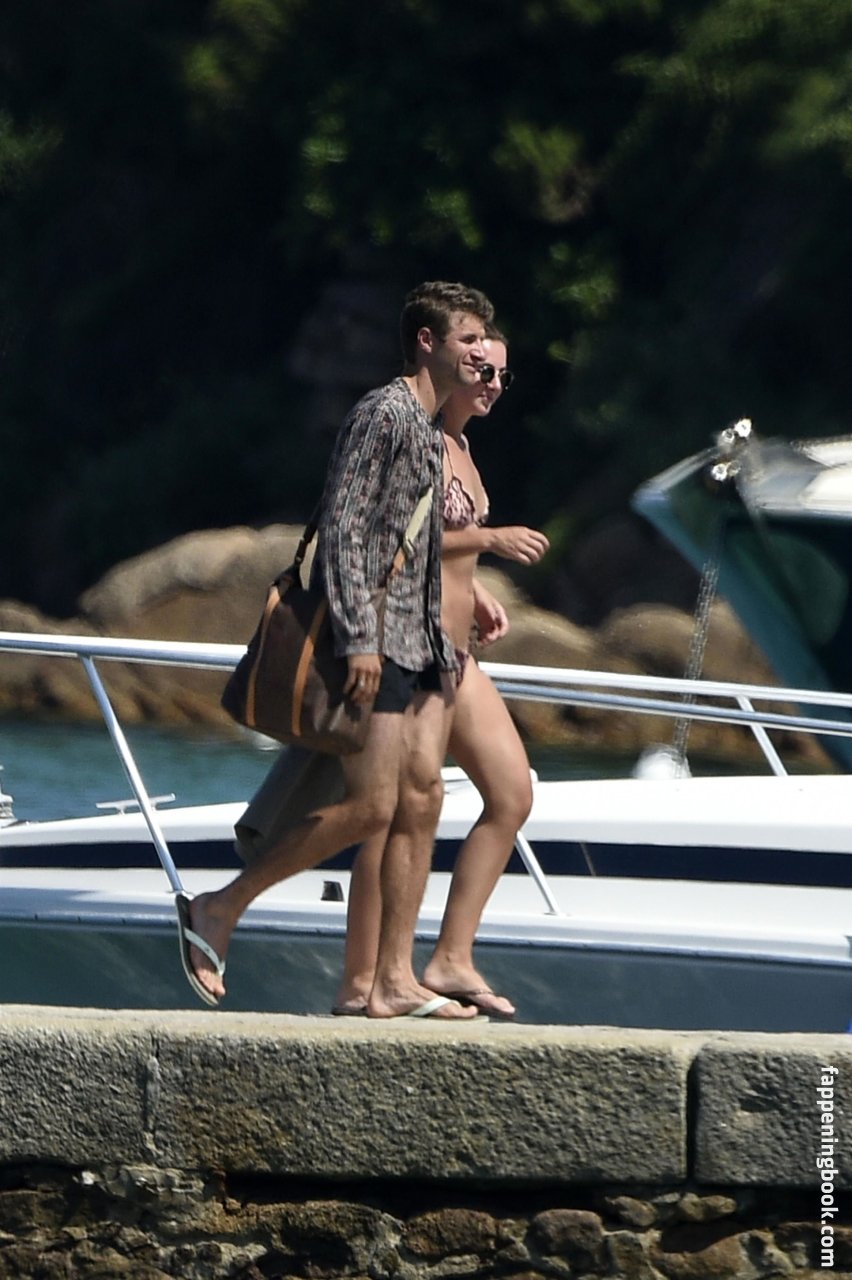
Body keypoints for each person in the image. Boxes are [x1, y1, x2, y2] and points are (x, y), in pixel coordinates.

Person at [179, 280, 496, 1019]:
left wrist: (463, 611)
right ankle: (220, 907)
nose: (481, 355)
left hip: (421, 645)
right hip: (377, 640)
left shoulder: (427, 427)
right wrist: (358, 640)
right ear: (427, 341)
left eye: (485, 341)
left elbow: (409, 542)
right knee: (371, 806)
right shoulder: (385, 413)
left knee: (421, 800)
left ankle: (392, 981)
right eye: (469, 340)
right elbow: (346, 533)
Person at [332, 329, 550, 1020]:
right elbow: (394, 535)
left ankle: (451, 956)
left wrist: (476, 589)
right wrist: (489, 541)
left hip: (457, 653)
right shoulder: (416, 435)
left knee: (511, 794)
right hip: (410, 644)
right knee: (391, 812)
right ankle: (361, 978)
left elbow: (436, 546)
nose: (492, 385)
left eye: (503, 376)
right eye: (483, 370)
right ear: (451, 362)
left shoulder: (462, 446)